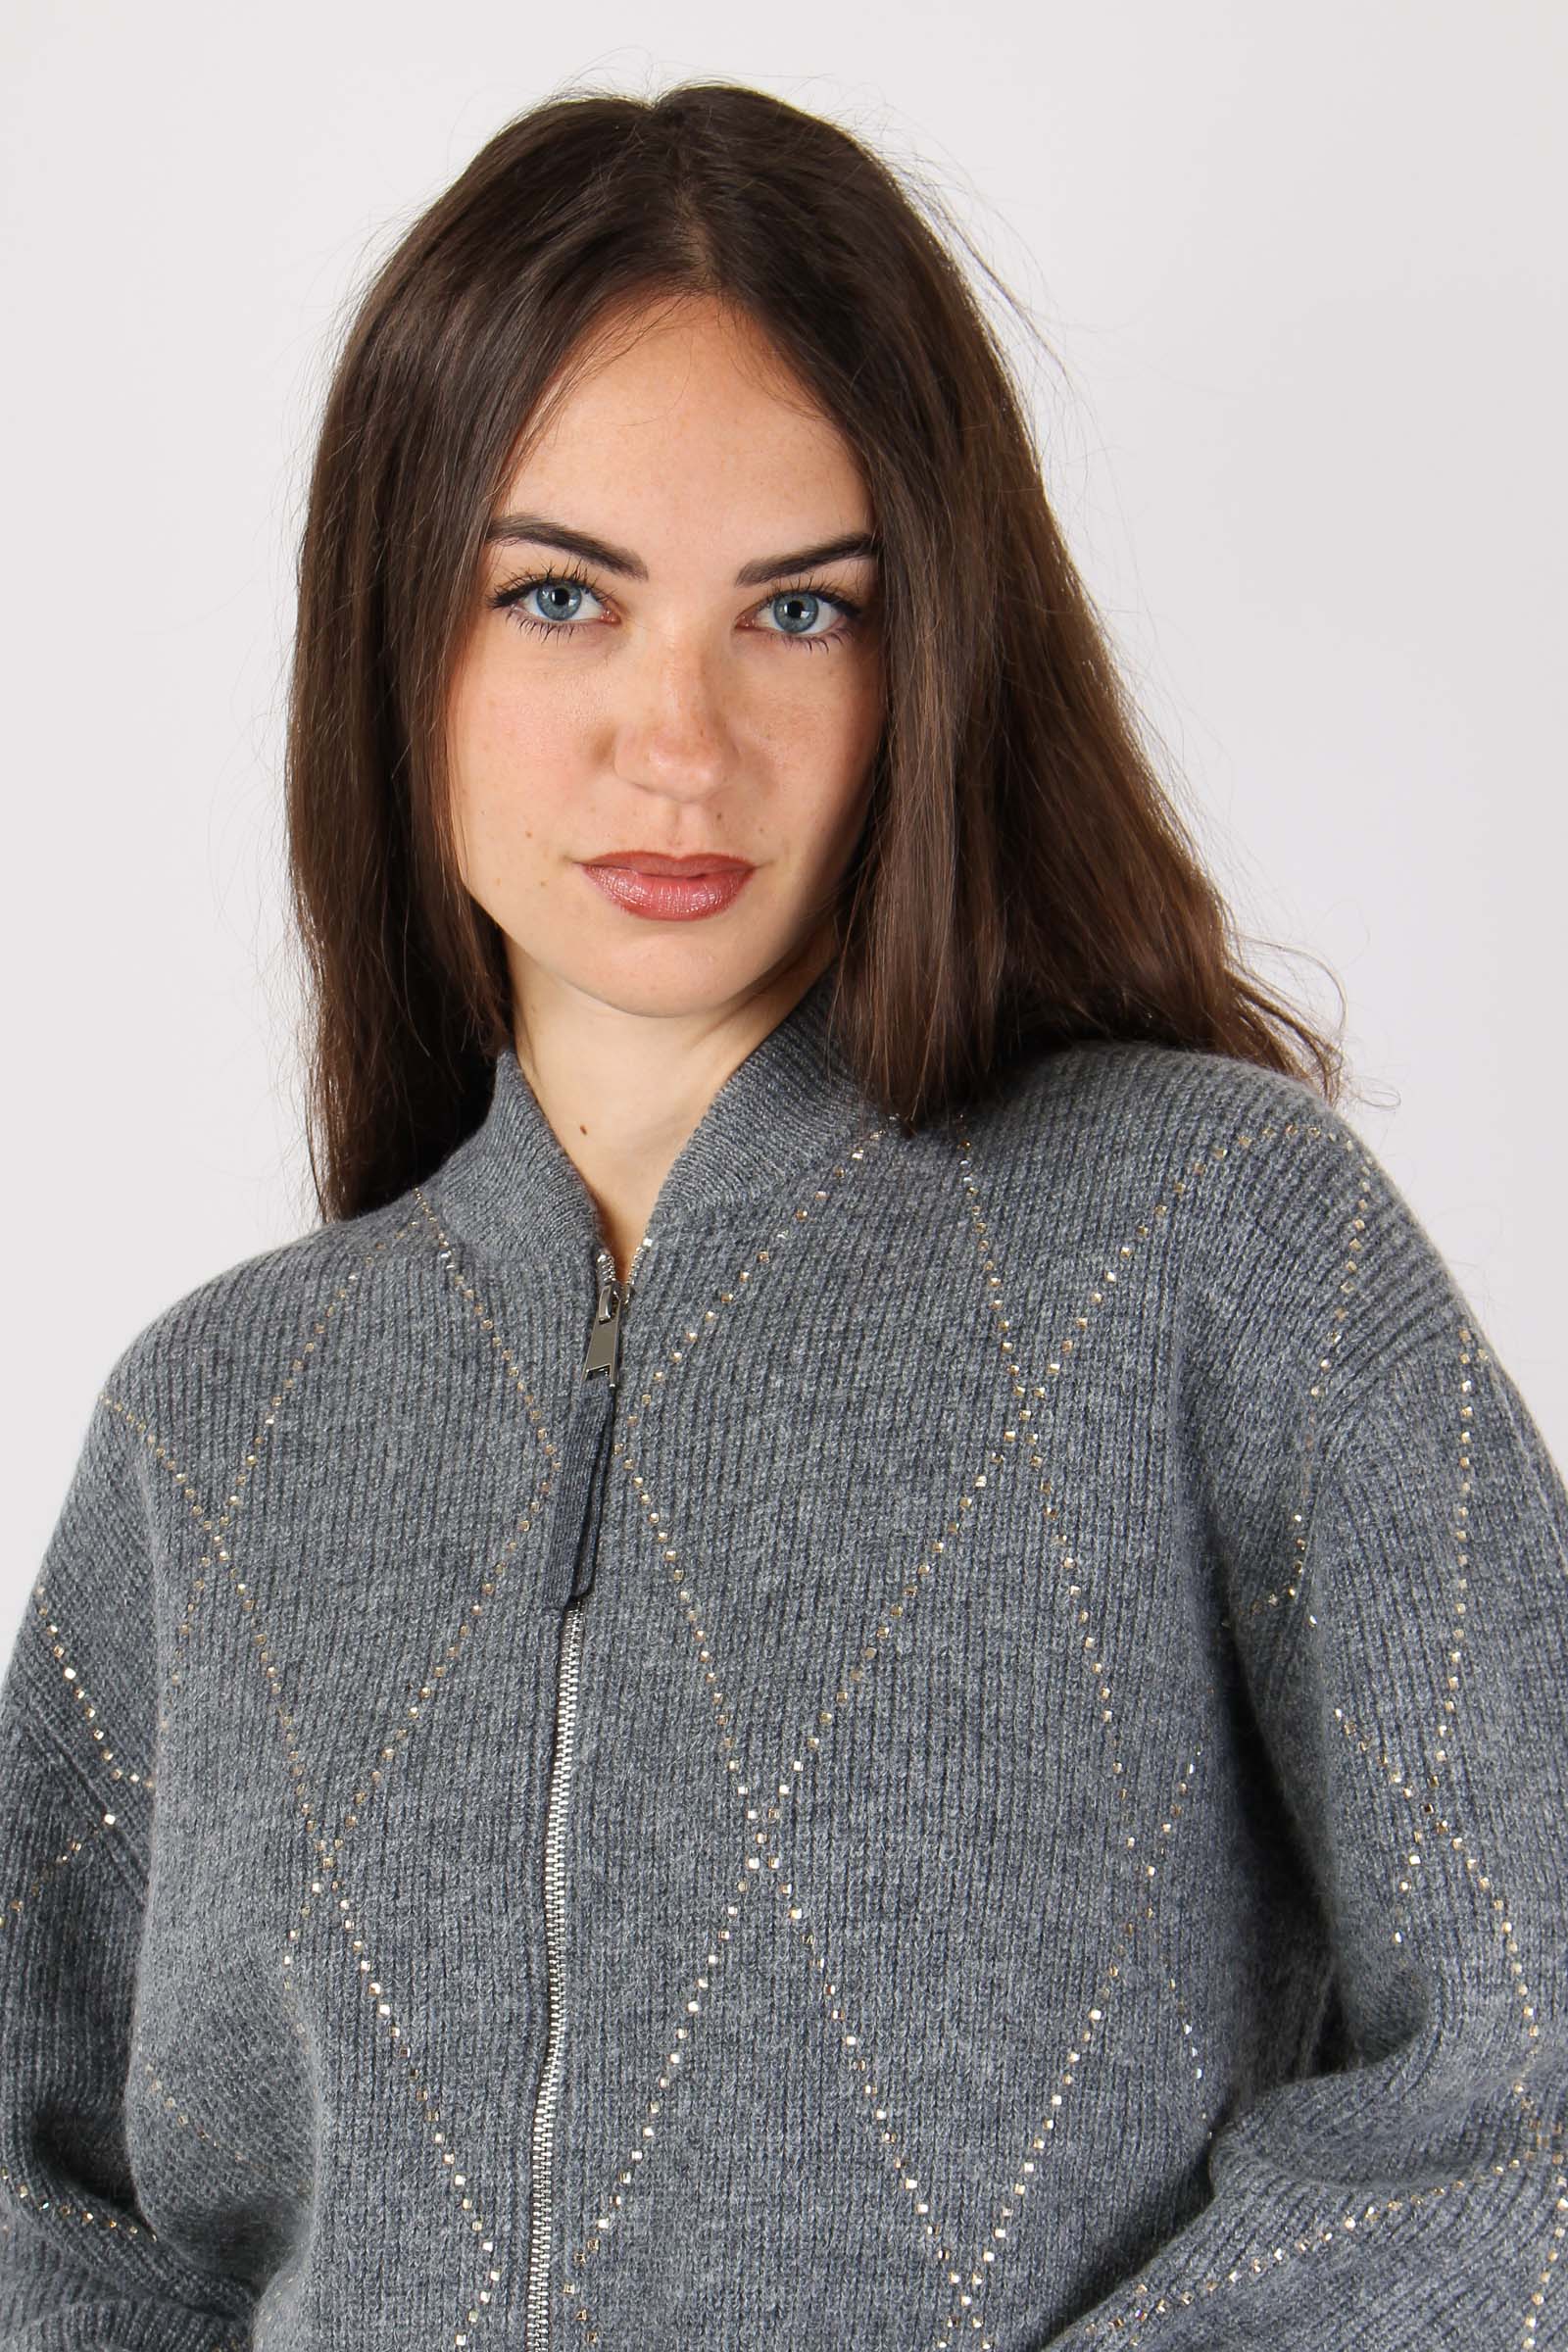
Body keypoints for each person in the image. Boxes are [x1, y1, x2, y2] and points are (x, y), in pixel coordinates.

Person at [2, 78, 1564, 2352]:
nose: (680, 740)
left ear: (935, 656)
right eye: (556, 596)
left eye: (801, 612)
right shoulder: (218, 1422)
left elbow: (1531, 2077)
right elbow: (44, 2202)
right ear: (390, 636)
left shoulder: (1216, 1250)